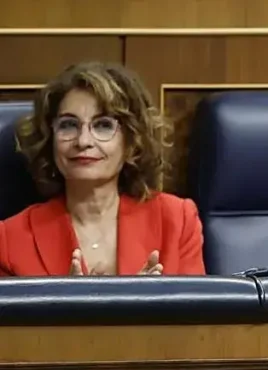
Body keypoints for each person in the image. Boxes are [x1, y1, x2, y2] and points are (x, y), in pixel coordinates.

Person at [0, 61, 205, 277]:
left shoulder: (177, 221)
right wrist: (64, 304)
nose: (84, 141)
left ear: (131, 140)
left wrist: (146, 304)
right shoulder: (9, 240)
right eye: (69, 125)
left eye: (103, 125)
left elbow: (201, 310)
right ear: (49, 138)